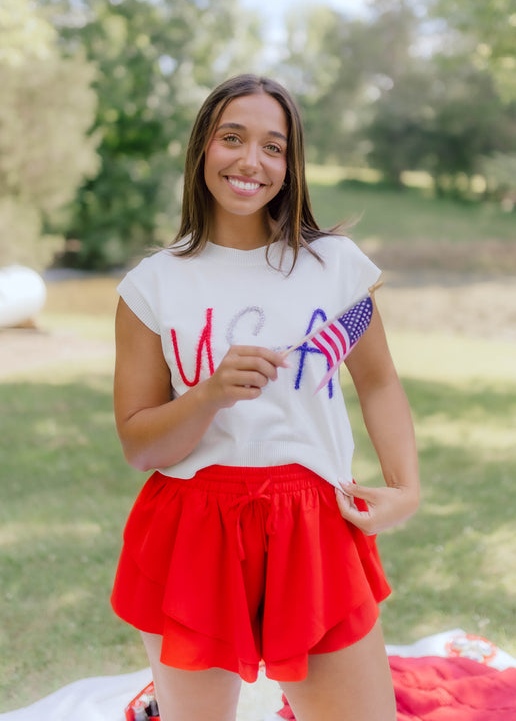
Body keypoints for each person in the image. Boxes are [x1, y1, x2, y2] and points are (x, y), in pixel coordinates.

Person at [111, 73, 419, 721]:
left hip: (313, 524)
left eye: (273, 146)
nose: (251, 160)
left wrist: (404, 486)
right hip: (191, 529)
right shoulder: (152, 284)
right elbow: (140, 445)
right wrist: (208, 395)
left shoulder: (332, 265)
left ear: (291, 163)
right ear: (202, 149)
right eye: (232, 138)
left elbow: (379, 381)